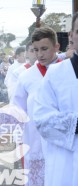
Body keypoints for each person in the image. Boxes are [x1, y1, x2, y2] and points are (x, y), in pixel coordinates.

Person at [12, 27, 62, 186]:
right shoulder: (26, 76)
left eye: (44, 49)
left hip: (64, 142)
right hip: (35, 142)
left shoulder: (69, 71)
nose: (39, 54)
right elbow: (17, 109)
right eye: (35, 50)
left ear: (56, 47)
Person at [33, 13, 78, 186]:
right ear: (71, 36)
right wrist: (75, 123)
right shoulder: (55, 75)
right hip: (66, 165)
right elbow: (42, 120)